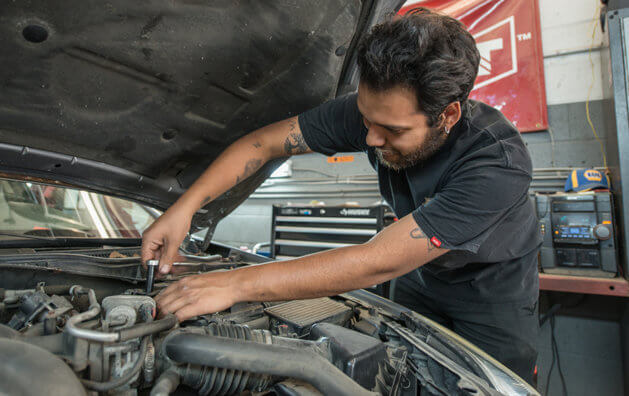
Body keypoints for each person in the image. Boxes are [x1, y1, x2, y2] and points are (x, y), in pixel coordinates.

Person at [142, 8, 542, 384]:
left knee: (491, 385)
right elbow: (262, 144)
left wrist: (233, 284)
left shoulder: (497, 162)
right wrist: (184, 208)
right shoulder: (375, 113)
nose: (369, 137)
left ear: (449, 115)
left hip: (492, 291)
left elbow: (375, 261)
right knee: (399, 374)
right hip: (419, 277)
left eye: (392, 130)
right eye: (366, 119)